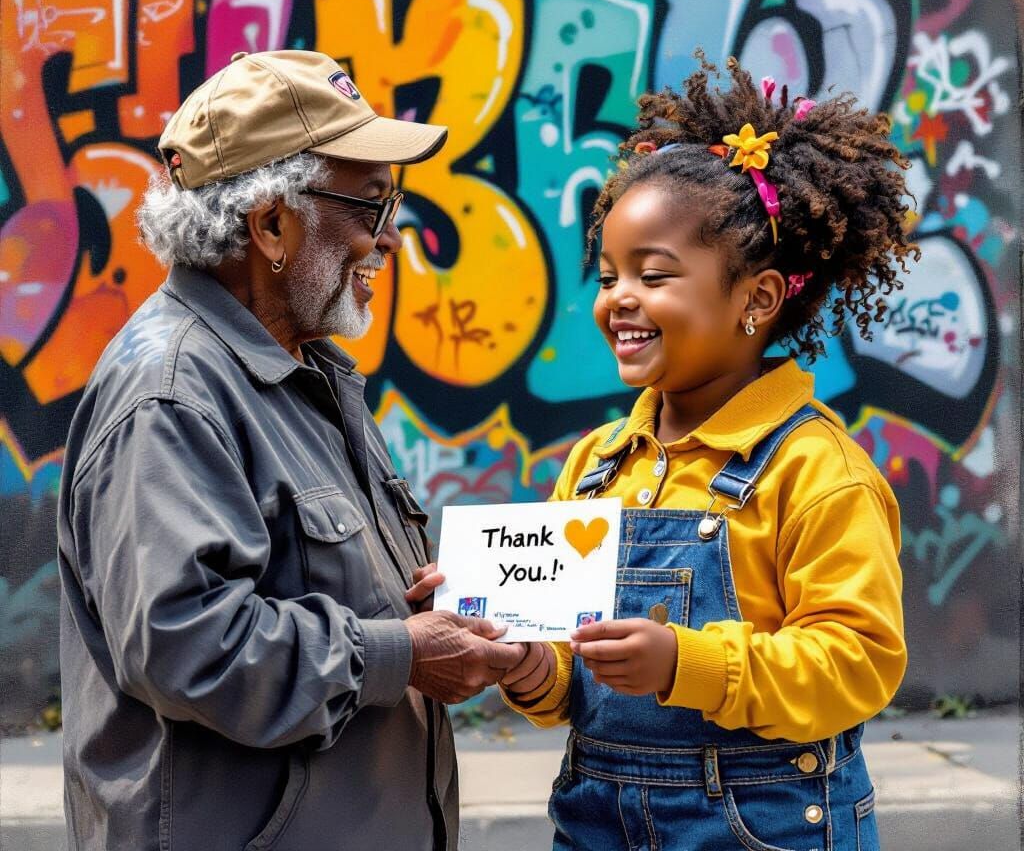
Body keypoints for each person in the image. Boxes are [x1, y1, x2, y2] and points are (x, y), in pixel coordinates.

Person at [57, 49, 532, 851]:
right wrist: (399, 656)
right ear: (272, 223)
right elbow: (186, 644)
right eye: (371, 206)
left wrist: (423, 610)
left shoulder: (302, 369)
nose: (390, 239)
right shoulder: (172, 393)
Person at [494, 57, 911, 850]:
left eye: (655, 276)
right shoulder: (596, 463)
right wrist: (524, 663)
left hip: (763, 826)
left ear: (756, 299)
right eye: (610, 273)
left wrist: (687, 662)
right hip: (596, 821)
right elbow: (562, 671)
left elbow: (857, 661)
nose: (619, 297)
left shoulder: (816, 471)